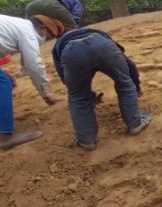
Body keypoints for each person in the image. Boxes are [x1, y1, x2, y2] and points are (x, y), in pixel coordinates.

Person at [52, 26, 151, 150]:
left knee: (78, 97)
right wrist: (136, 87)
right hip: (102, 45)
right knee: (125, 83)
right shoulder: (98, 33)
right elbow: (129, 64)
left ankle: (86, 140)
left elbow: (67, 81)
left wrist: (89, 96)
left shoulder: (57, 46)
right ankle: (135, 124)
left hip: (72, 53)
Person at [0, 14, 60, 150]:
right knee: (3, 83)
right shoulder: (29, 33)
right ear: (42, 28)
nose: (46, 40)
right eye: (48, 37)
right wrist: (46, 94)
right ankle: (4, 137)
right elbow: (34, 65)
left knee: (4, 77)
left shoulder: (17, 26)